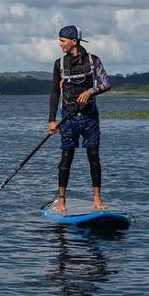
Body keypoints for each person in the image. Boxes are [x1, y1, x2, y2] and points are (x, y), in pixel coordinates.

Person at [48, 25, 111, 212]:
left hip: (90, 117)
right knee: (66, 157)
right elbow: (54, 93)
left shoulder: (93, 61)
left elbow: (106, 83)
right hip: (68, 118)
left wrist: (90, 91)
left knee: (93, 156)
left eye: (62, 41)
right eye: (59, 40)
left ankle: (97, 199)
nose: (59, 44)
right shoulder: (59, 64)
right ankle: (61, 200)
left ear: (73, 41)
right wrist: (52, 120)